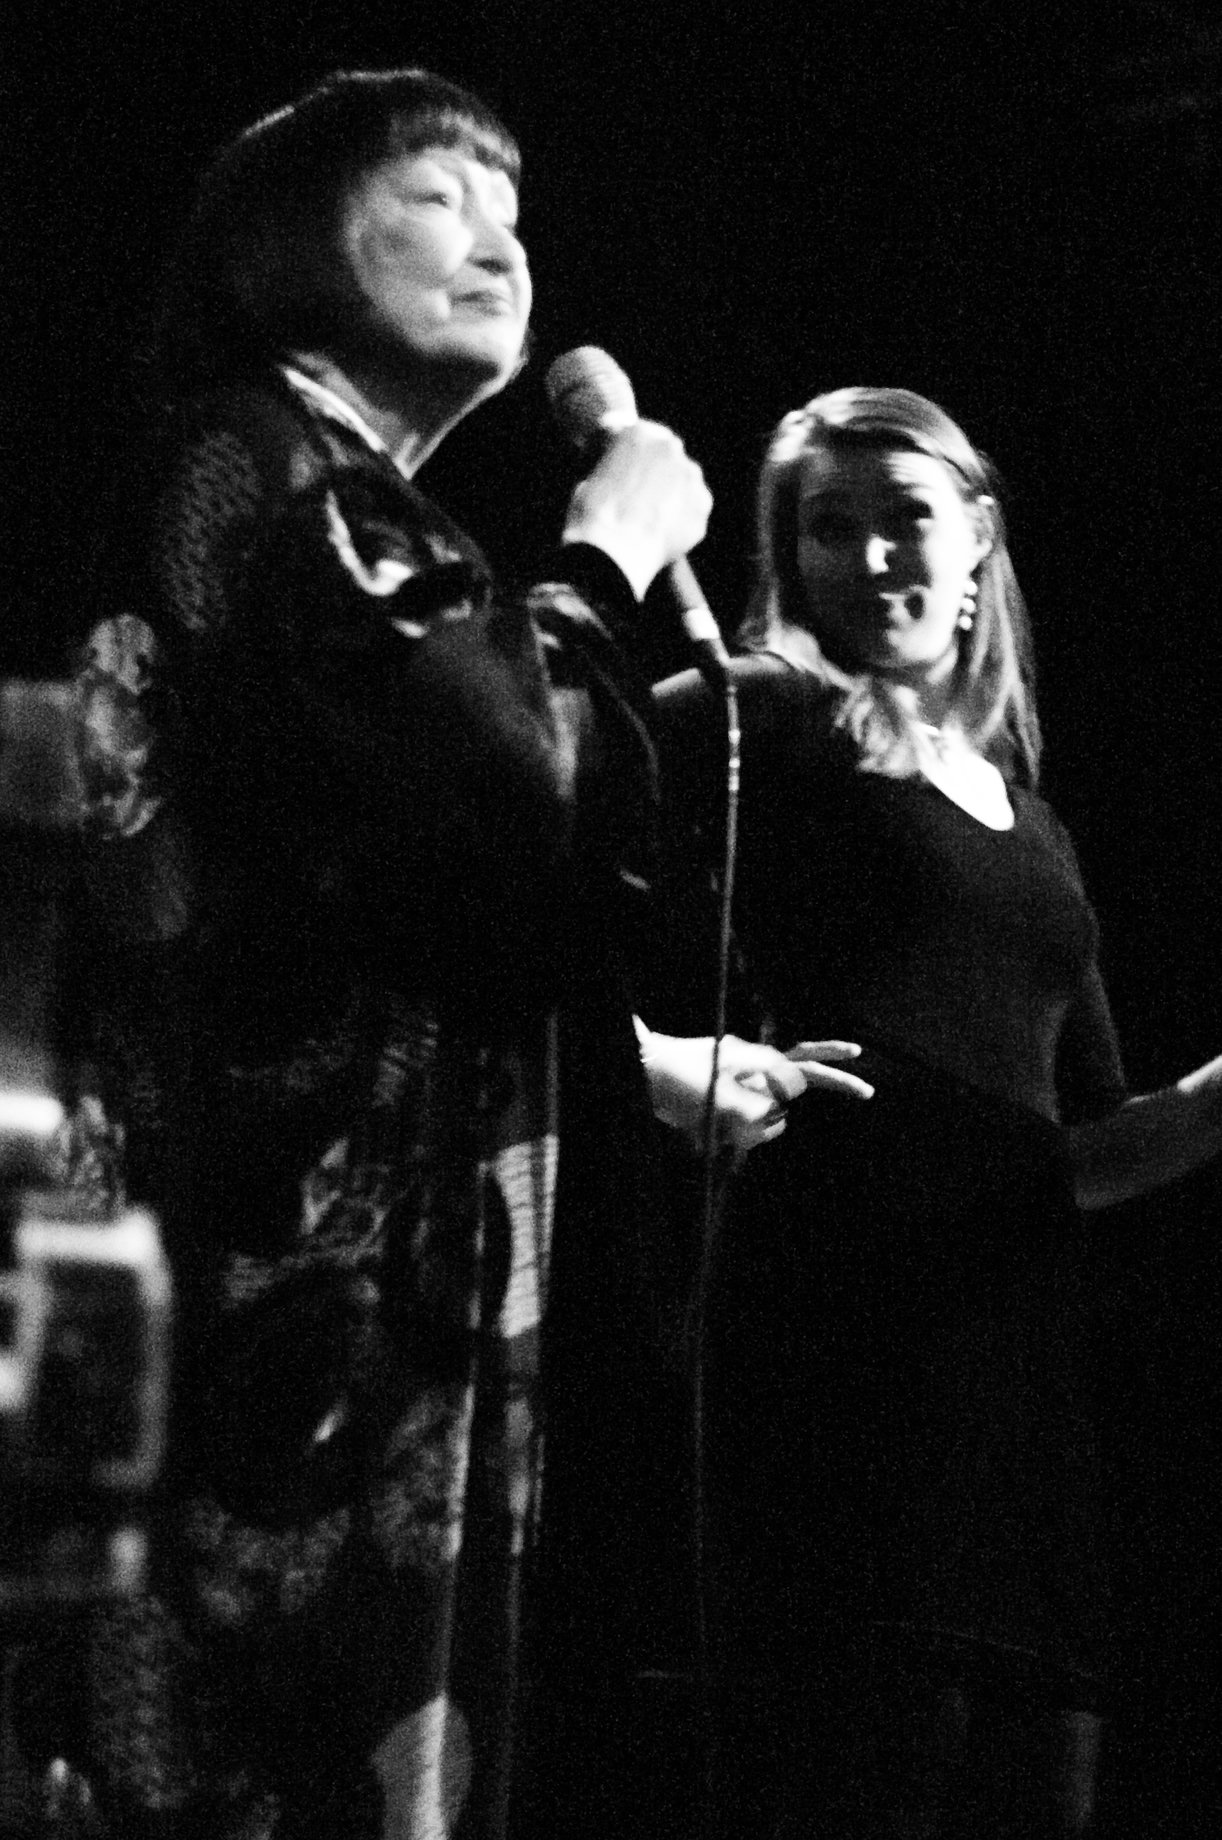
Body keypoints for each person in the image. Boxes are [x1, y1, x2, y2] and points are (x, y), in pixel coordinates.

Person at [36, 67, 860, 1840]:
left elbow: (370, 882)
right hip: (281, 1293)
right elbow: (500, 775)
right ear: (282, 248)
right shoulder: (274, 463)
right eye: (435, 198)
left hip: (319, 1265)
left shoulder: (332, 499)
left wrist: (634, 1064)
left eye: (514, 216)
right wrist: (603, 561)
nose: (498, 245)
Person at [649, 386, 1222, 1839]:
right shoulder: (763, 717)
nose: (867, 558)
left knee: (1037, 1781)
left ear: (977, 537)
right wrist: (652, 1056)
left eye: (902, 517)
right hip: (839, 1342)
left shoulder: (1034, 826)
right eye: (824, 529)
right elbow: (547, 844)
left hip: (1014, 1370)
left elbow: (1084, 1149)